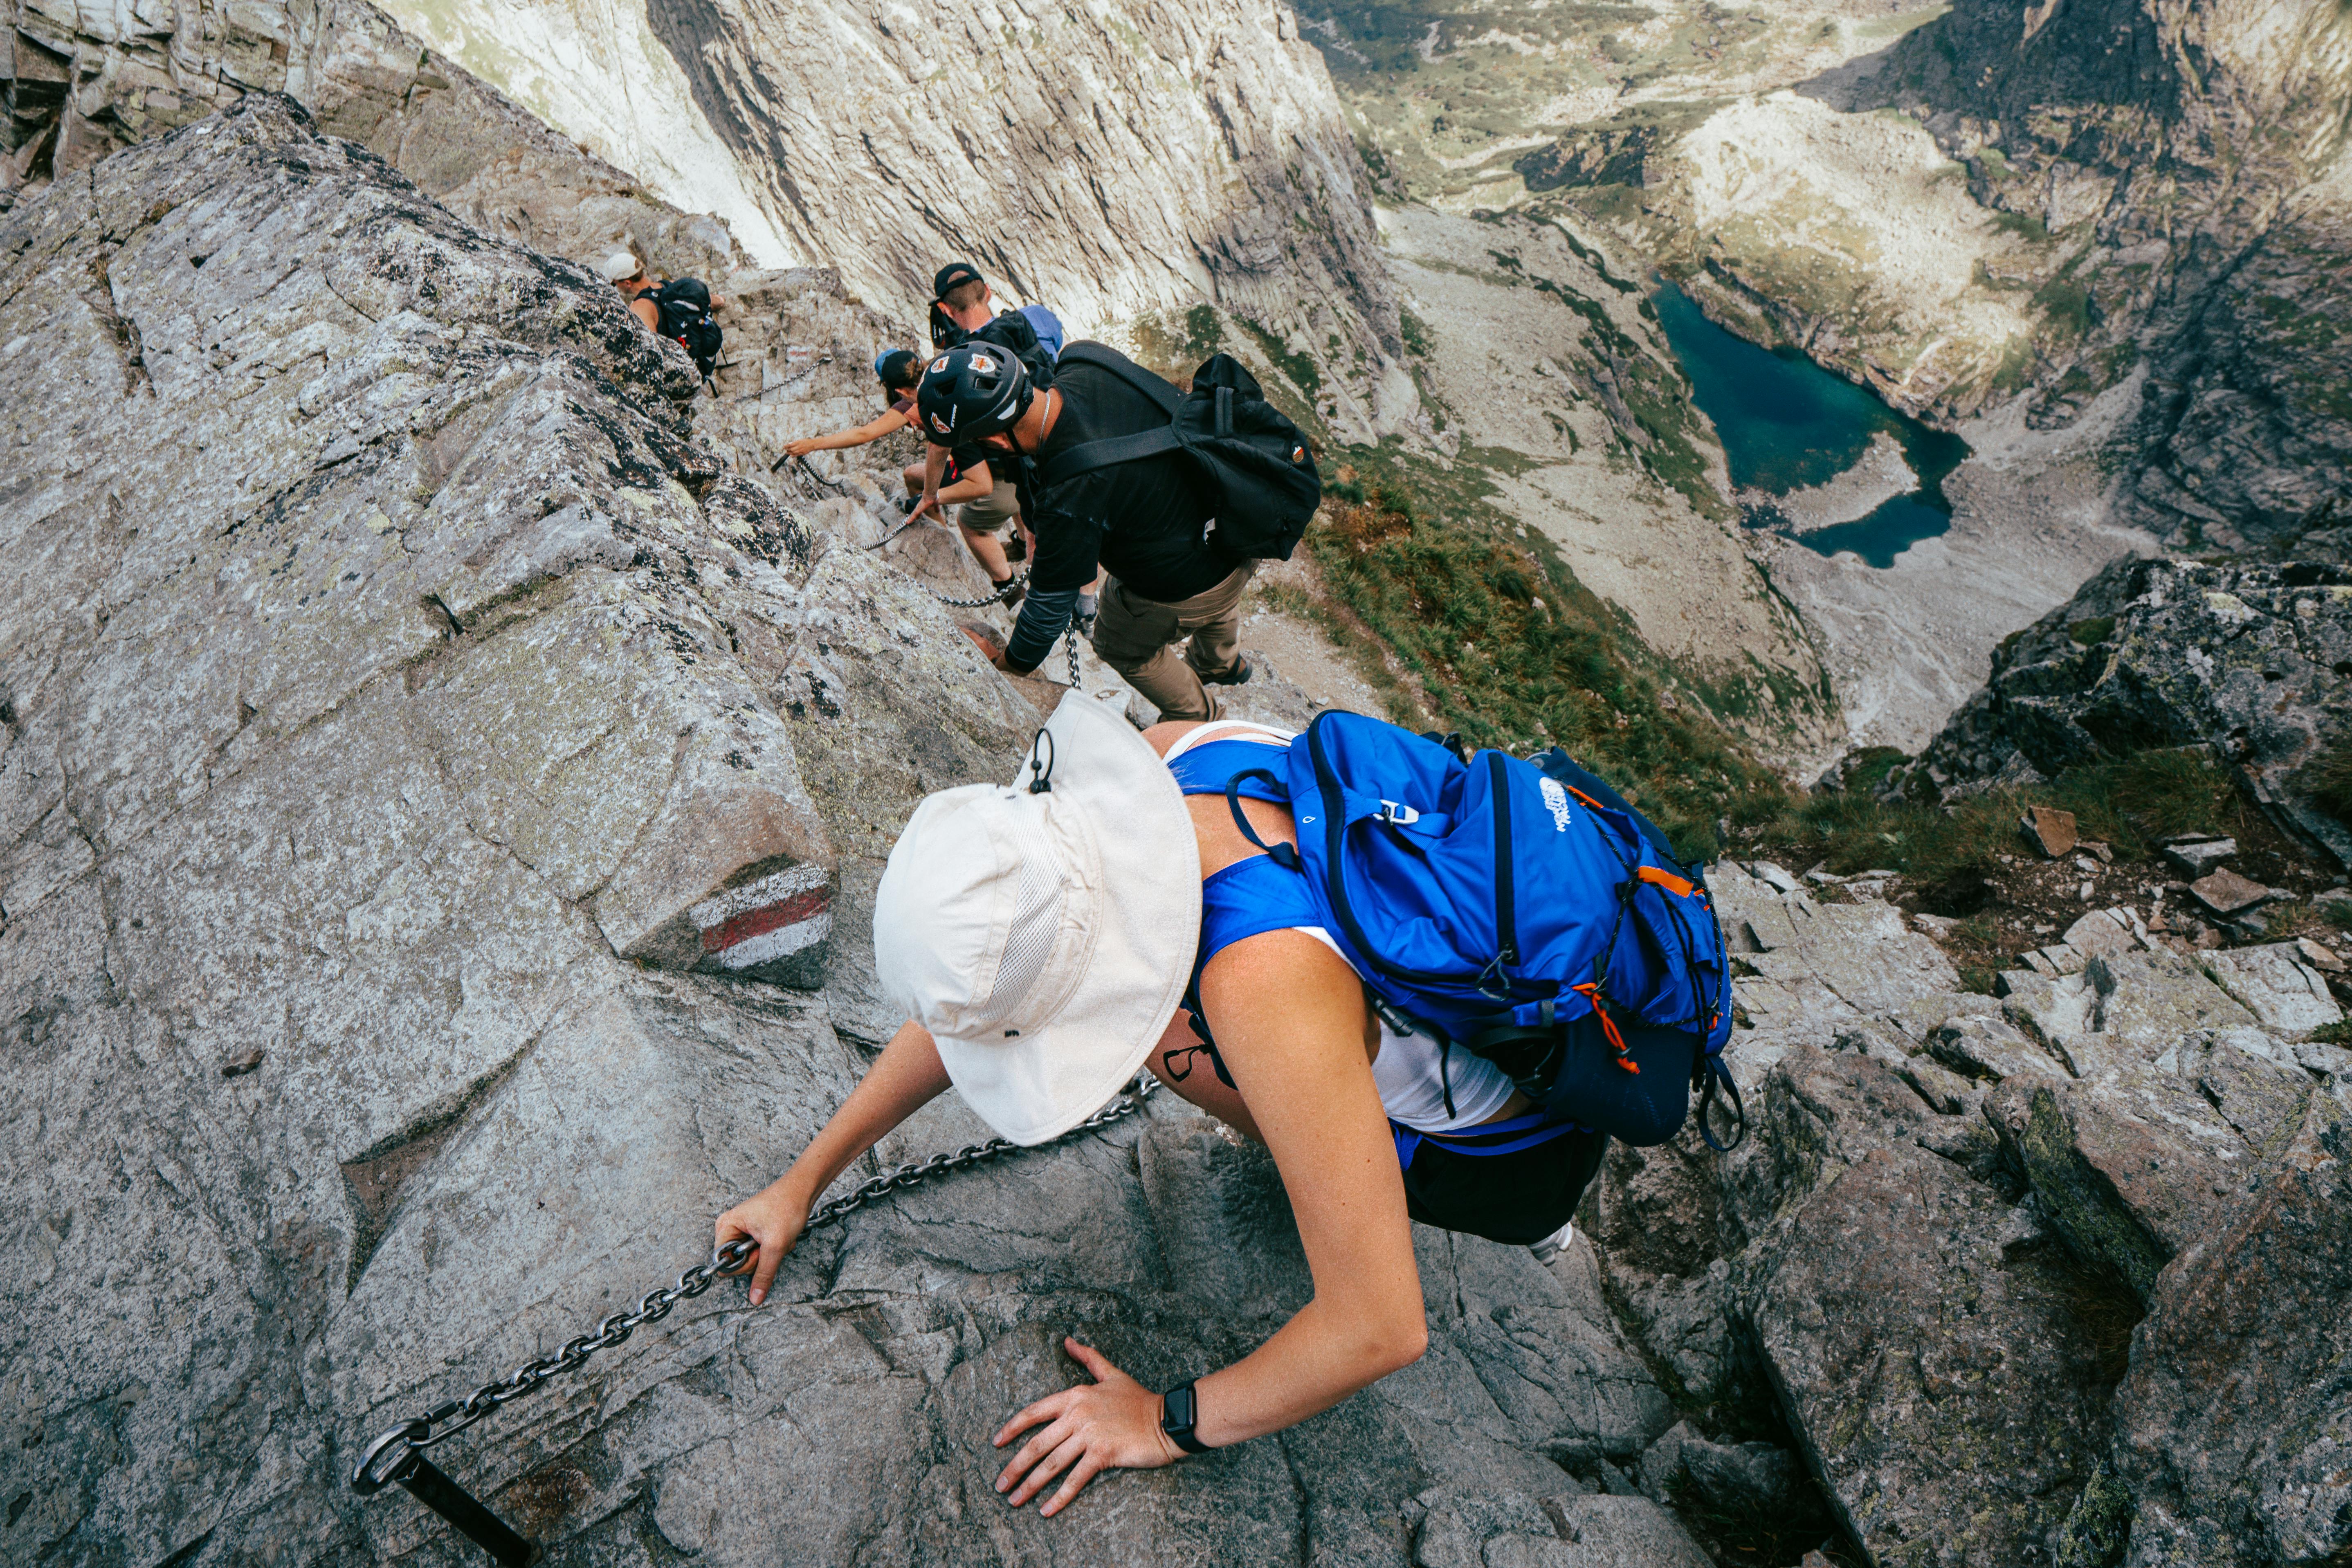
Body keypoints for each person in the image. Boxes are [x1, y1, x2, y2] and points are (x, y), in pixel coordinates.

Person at [715, 693, 1604, 1518]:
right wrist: (803, 1182)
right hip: (1396, 1009)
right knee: (1186, 1040)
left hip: (1512, 1158)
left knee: (1180, 1047)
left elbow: (1381, 1327)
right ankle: (1340, 1138)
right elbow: (989, 999)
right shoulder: (1165, 760)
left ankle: (1523, 1215)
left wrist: (1161, 1423)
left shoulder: (1261, 985)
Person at [914, 344, 1245, 718]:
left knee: (1116, 642)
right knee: (1217, 579)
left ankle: (1200, 718)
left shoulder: (1068, 493)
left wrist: (1006, 669)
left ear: (996, 441)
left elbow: (1045, 617)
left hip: (1189, 580)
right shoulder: (1084, 359)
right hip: (1236, 524)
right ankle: (1222, 661)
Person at [780, 350, 1029, 598]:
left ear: (897, 391)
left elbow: (864, 435)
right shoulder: (942, 375)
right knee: (913, 476)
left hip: (999, 477)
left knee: (971, 525)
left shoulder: (935, 411)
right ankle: (941, 534)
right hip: (1010, 458)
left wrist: (933, 497)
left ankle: (1009, 592)